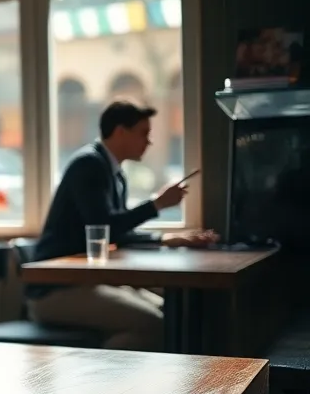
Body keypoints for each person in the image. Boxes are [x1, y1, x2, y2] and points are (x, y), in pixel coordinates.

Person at [27, 102, 218, 350]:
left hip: (85, 281)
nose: (148, 142)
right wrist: (157, 205)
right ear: (120, 132)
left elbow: (117, 231)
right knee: (154, 323)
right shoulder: (88, 165)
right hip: (55, 289)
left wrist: (164, 238)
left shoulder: (115, 173)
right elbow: (104, 225)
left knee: (167, 312)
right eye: (143, 133)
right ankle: (98, 380)